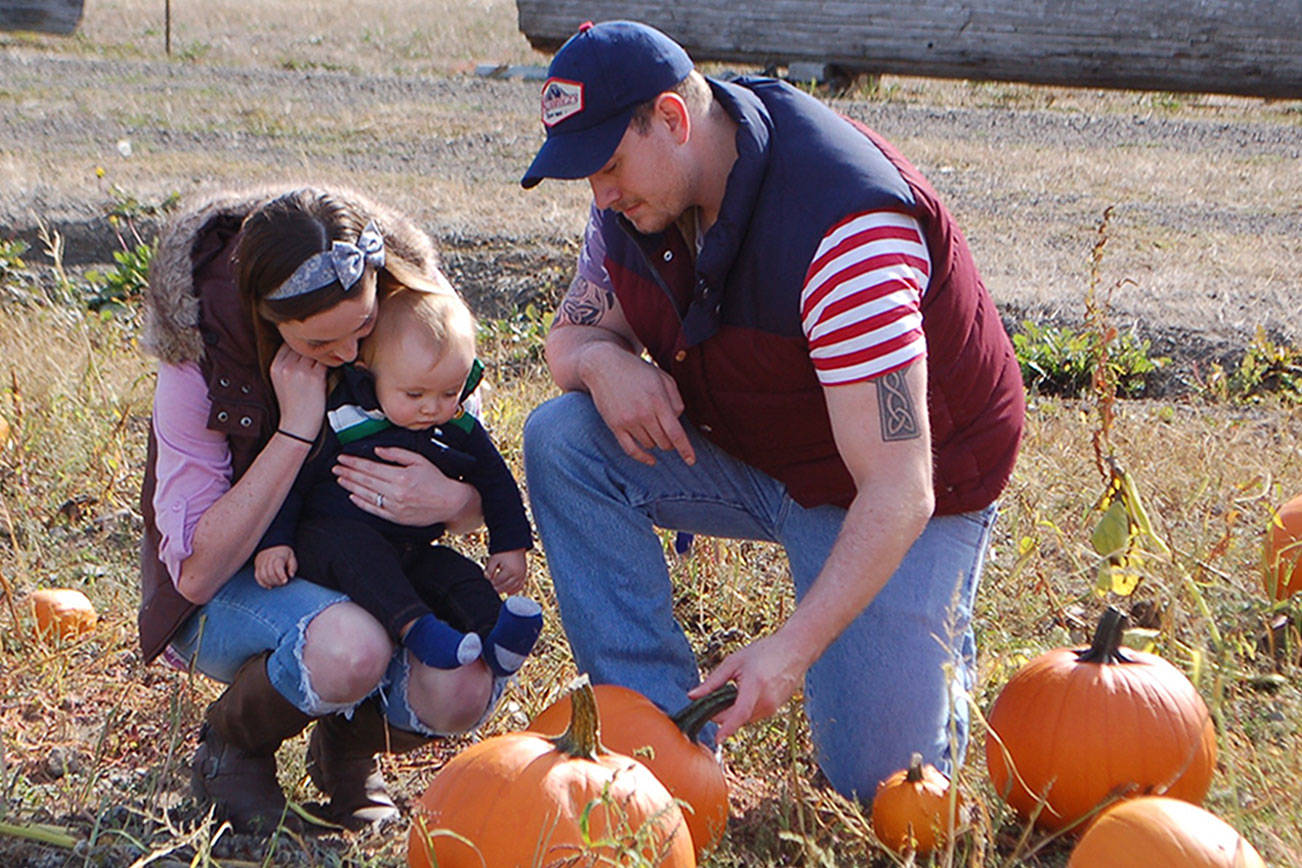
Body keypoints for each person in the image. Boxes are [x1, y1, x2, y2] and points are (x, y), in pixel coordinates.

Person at [519, 20, 1025, 800]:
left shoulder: (847, 234)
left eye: (609, 164)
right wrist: (599, 361)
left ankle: (929, 627)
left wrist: (788, 650)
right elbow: (572, 336)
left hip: (896, 490)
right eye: (588, 175)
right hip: (765, 446)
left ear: (674, 119)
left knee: (881, 783)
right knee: (563, 438)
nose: (601, 194)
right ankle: (659, 738)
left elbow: (901, 485)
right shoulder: (636, 200)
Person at [138, 187, 505, 832]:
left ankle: (346, 747)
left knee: (461, 685)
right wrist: (295, 431)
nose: (345, 355)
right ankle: (231, 751)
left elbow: (472, 483)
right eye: (318, 341)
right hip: (232, 593)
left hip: (369, 566)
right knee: (350, 647)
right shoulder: (200, 358)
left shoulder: (406, 316)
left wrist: (456, 500)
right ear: (265, 316)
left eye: (360, 329)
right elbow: (194, 573)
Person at [252, 286, 542, 678]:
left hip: (411, 549)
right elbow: (293, 483)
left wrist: (511, 544)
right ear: (370, 376)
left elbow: (496, 479)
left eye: (449, 393)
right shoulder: (344, 419)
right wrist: (275, 541)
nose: (431, 407)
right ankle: (417, 629)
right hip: (332, 542)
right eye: (414, 393)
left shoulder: (454, 423)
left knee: (454, 573)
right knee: (358, 551)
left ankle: (497, 636)